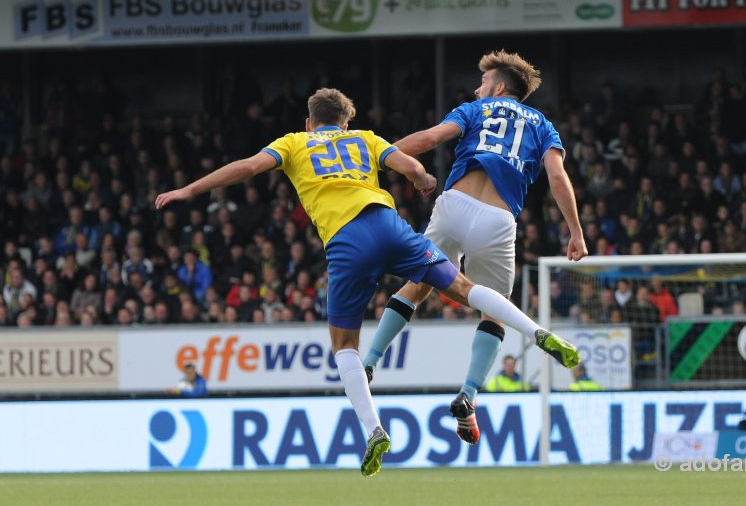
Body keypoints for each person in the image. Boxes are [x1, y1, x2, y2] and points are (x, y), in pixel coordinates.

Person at [155, 88, 579, 477]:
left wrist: (190, 190)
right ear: (345, 122)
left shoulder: (293, 143)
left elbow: (247, 168)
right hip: (389, 224)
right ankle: (536, 330)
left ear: (309, 122)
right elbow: (412, 165)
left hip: (347, 242)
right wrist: (422, 180)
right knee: (465, 289)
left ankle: (374, 429)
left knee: (343, 346)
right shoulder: (365, 138)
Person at [361, 50, 587, 445]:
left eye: (483, 84)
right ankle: (468, 393)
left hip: (454, 206)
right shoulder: (545, 126)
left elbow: (430, 139)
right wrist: (576, 231)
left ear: (498, 87)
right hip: (497, 222)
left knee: (419, 285)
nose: (477, 89)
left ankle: (368, 362)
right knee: (494, 310)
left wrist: (375, 156)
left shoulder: (474, 109)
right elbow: (557, 175)